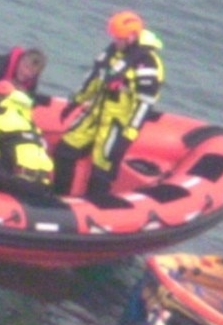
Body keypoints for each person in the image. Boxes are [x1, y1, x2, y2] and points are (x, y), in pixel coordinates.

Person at [53, 10, 164, 199]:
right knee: (64, 151)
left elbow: (144, 105)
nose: (115, 41)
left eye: (119, 37)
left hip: (117, 124)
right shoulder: (113, 52)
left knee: (102, 169)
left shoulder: (148, 64)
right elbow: (95, 79)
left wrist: (128, 135)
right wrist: (76, 101)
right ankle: (59, 195)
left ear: (132, 36)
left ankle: (92, 209)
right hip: (95, 114)